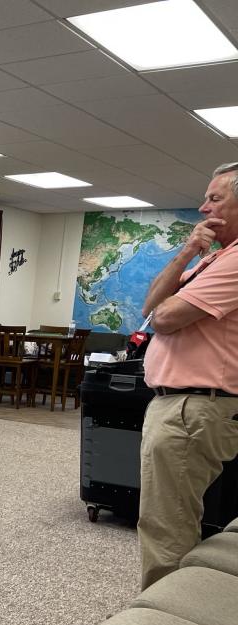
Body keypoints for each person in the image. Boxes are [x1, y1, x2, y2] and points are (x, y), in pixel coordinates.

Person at [138, 161, 238, 588]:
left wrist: (167, 306)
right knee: (169, 518)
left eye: (215, 198)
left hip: (192, 407)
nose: (203, 207)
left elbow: (164, 318)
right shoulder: (217, 257)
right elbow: (149, 308)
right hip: (183, 404)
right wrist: (186, 253)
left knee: (168, 527)